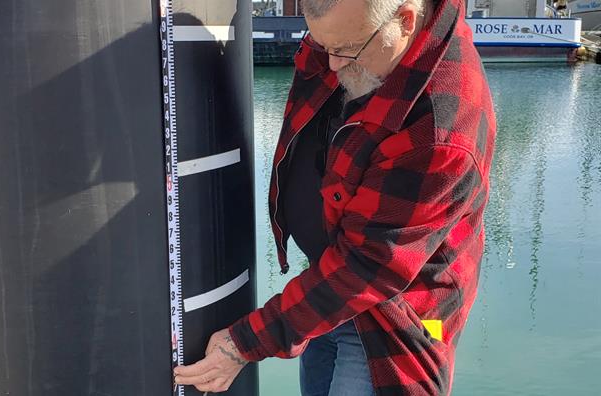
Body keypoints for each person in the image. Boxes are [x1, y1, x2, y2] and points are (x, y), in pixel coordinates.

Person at [174, 0, 496, 394]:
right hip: (325, 283)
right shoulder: (355, 35)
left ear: (406, 21)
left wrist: (244, 343)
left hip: (392, 316)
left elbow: (368, 265)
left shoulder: (439, 130)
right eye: (320, 45)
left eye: (345, 50)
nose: (331, 66)